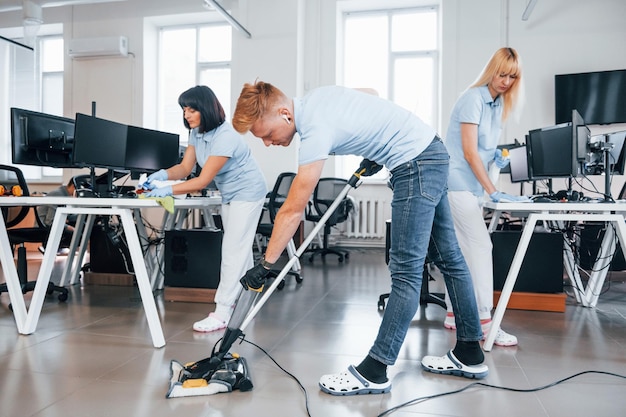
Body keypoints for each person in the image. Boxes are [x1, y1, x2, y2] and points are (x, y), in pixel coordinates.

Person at [231, 81, 487, 396]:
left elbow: (292, 209)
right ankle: (469, 353)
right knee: (450, 259)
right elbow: (369, 95)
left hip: (414, 164)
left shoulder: (314, 131)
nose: (268, 143)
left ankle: (375, 370)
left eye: (267, 135)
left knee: (406, 272)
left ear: (284, 114)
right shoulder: (317, 97)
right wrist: (376, 146)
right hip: (431, 152)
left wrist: (267, 263)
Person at [143, 85, 267, 333]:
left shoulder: (225, 136)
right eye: (184, 110)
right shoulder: (197, 133)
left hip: (248, 191)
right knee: (238, 252)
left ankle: (222, 312)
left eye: (192, 109)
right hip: (230, 193)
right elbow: (185, 169)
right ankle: (242, 308)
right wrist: (162, 175)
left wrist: (167, 190)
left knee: (233, 251)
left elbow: (201, 181)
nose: (187, 115)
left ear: (207, 109)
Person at [444, 47, 528, 347]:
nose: (506, 81)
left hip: (472, 187)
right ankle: (484, 322)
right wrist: (493, 190)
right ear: (492, 70)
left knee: (465, 252)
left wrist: (495, 157)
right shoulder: (473, 99)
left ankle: (455, 313)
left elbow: (480, 149)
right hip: (456, 183)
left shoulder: (496, 105)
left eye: (512, 76)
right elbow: (467, 151)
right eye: (502, 74)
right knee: (481, 246)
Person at [37, 178, 77, 255]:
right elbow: (50, 221)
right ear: (73, 186)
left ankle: (57, 247)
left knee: (80, 224)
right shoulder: (58, 195)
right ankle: (50, 247)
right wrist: (70, 227)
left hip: (51, 223)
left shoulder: (65, 194)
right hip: (45, 226)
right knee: (77, 233)